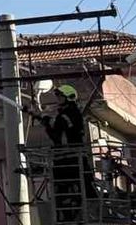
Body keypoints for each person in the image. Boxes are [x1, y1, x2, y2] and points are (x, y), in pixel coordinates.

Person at [30, 84, 90, 221]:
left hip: (68, 160)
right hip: (73, 160)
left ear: (68, 98)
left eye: (60, 96)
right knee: (76, 191)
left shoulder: (67, 115)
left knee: (65, 192)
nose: (58, 99)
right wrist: (43, 119)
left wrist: (45, 121)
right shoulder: (72, 114)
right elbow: (58, 127)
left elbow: (57, 133)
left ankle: (70, 217)